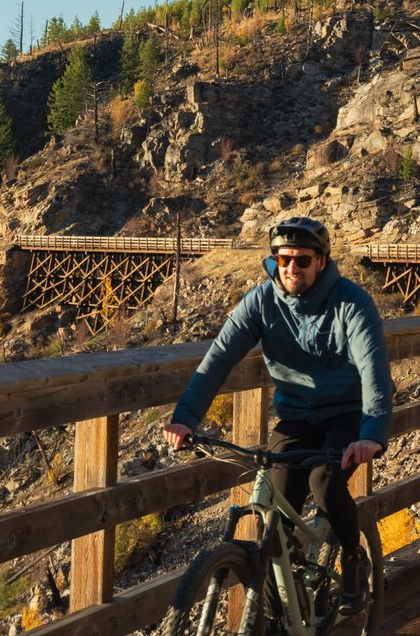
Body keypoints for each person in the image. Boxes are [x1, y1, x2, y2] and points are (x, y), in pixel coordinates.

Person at [163, 216, 394, 613]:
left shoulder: (352, 303)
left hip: (348, 414)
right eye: (282, 259)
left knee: (324, 483)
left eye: (302, 260)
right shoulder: (261, 301)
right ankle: (273, 623)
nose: (291, 268)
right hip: (297, 416)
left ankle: (354, 557)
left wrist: (371, 432)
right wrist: (186, 417)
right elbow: (219, 358)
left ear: (322, 261)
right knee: (275, 510)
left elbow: (374, 371)